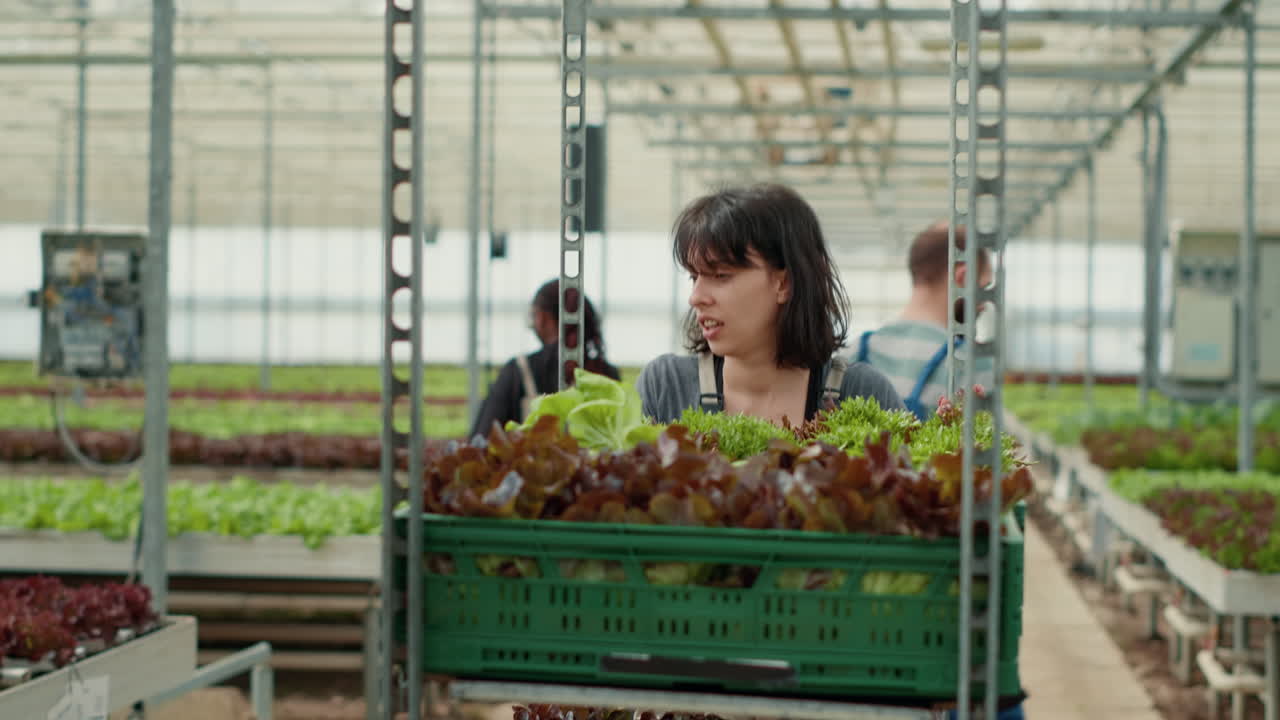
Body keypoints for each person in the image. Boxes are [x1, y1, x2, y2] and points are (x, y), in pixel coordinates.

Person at [636, 183, 903, 426]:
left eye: (721, 276)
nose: (696, 297)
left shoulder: (861, 392)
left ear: (783, 284)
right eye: (694, 276)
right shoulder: (667, 388)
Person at [854, 220, 996, 421]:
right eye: (985, 286)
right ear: (964, 277)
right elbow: (982, 447)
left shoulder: (854, 351)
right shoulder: (972, 364)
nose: (984, 304)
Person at [469, 279, 619, 437]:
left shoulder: (518, 371)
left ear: (541, 318)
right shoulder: (607, 374)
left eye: (533, 315)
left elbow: (481, 440)